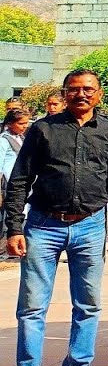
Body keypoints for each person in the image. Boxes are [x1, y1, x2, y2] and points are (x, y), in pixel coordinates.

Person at [5, 69, 108, 366]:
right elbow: (19, 180)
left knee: (88, 303)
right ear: (65, 93)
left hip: (90, 226)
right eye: (74, 89)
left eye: (88, 89)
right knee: (32, 306)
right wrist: (14, 227)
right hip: (43, 225)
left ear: (99, 94)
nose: (81, 94)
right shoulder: (42, 129)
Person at [1, 107, 31, 259]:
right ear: (10, 124)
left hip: (21, 184)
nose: (25, 126)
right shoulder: (4, 140)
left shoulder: (22, 138)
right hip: (8, 185)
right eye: (21, 123)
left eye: (26, 123)